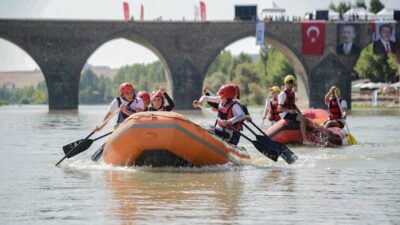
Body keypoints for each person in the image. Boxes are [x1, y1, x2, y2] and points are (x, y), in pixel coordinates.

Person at [277, 75, 308, 144]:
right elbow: (279, 107)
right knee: (302, 119)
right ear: (286, 84)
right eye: (288, 83)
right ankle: (305, 140)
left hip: (291, 113)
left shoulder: (292, 93)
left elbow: (293, 105)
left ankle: (300, 138)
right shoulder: (283, 94)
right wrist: (289, 111)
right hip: (285, 114)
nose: (290, 85)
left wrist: (300, 112)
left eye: (292, 84)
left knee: (303, 117)